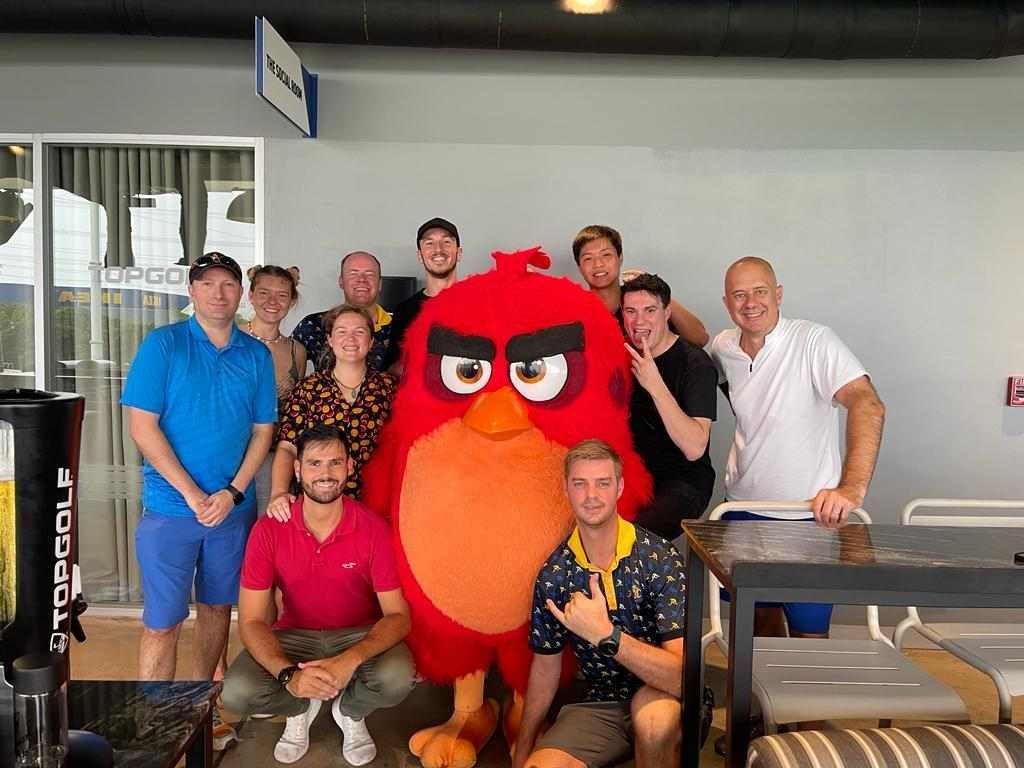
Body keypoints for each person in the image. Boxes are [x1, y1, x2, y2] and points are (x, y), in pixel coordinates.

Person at [121, 251, 276, 747]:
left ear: (240, 293)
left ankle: (198, 711)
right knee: (163, 622)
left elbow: (262, 431)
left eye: (228, 283)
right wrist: (193, 494)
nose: (218, 292)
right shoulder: (163, 346)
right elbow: (141, 427)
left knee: (216, 610)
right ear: (192, 292)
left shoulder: (255, 355)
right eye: (207, 283)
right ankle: (152, 723)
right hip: (171, 510)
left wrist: (231, 493)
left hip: (232, 511)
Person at [710, 256, 886, 639]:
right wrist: (666, 305)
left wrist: (851, 488)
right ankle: (760, 700)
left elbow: (866, 402)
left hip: (806, 517)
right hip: (742, 509)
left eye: (759, 291)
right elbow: (693, 343)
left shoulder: (814, 340)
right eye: (738, 295)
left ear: (778, 294)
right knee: (755, 624)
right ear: (726, 303)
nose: (750, 302)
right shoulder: (724, 347)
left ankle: (806, 701)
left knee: (810, 634)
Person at [221, 424, 415, 766]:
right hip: (294, 636)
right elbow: (250, 620)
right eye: (314, 463)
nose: (325, 474)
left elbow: (398, 616)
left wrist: (350, 660)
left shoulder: (373, 529)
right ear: (297, 469)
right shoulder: (269, 530)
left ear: (349, 467)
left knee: (397, 677)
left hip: (355, 634)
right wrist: (289, 676)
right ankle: (300, 706)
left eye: (335, 463)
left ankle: (350, 711)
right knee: (237, 692)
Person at [513, 439, 687, 768]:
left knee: (653, 721)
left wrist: (607, 635)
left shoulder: (660, 558)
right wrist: (523, 751)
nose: (591, 496)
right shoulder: (555, 575)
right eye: (580, 484)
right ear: (566, 489)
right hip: (601, 705)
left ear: (619, 487)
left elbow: (681, 678)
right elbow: (545, 670)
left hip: (663, 698)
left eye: (602, 483)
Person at [267, 305, 396, 520]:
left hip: (376, 507)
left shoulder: (389, 388)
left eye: (359, 331)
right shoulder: (308, 389)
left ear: (371, 341)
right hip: (319, 504)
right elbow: (288, 447)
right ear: (330, 339)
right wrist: (279, 492)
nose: (350, 339)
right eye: (342, 331)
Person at [621, 274, 717, 540]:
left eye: (650, 310)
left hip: (683, 483)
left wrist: (654, 384)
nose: (639, 322)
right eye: (631, 311)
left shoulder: (695, 364)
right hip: (633, 478)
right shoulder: (623, 355)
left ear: (667, 313)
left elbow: (695, 447)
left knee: (633, 538)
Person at [571, 224, 709, 347]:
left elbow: (699, 339)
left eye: (606, 255)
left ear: (620, 258)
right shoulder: (574, 309)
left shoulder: (641, 300)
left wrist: (656, 291)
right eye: (588, 258)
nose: (598, 264)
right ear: (579, 266)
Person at [243, 264, 307, 515]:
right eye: (263, 293)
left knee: (266, 530)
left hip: (273, 460)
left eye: (282, 295)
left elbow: (295, 410)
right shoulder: (230, 338)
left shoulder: (296, 351)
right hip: (230, 455)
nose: (272, 301)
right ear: (250, 295)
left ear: (291, 301)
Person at [382, 217, 461, 374]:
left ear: (459, 253)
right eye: (429, 243)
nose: (438, 250)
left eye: (446, 242)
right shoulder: (405, 310)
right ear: (420, 256)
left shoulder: (481, 302)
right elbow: (390, 371)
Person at [291, 251, 392, 372]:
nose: (362, 280)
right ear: (341, 281)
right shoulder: (313, 324)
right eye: (353, 274)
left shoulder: (402, 326)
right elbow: (283, 361)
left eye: (370, 274)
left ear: (380, 284)